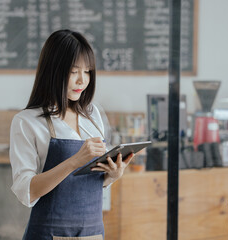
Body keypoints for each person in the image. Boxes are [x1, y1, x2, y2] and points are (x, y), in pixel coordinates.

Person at [9, 29, 135, 240]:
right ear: (53, 71)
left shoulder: (93, 115)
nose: (82, 81)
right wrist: (74, 161)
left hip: (92, 234)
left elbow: (87, 183)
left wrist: (111, 175)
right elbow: (26, 192)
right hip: (47, 234)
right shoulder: (27, 121)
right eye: (74, 71)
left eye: (87, 72)